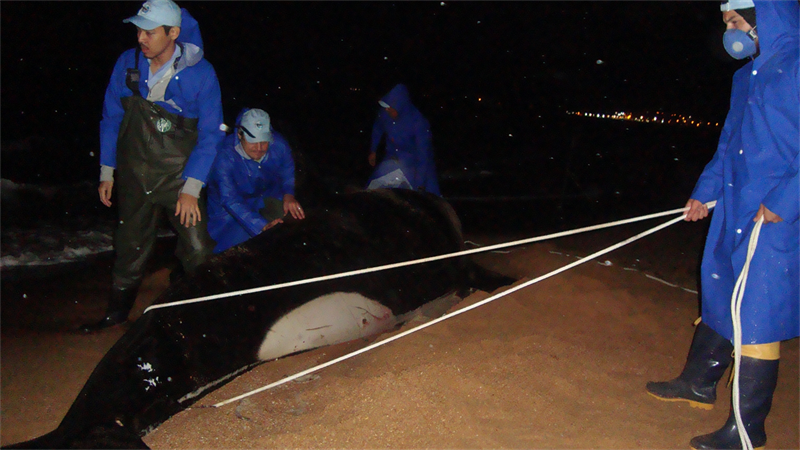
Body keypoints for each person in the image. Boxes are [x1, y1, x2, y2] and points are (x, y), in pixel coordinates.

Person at [646, 1, 800, 449]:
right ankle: (698, 382)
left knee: (757, 310)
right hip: (736, 202)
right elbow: (729, 141)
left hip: (773, 213)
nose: (729, 31)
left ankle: (748, 429)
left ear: (762, 20)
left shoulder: (796, 67)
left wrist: (785, 202)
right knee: (721, 289)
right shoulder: (745, 76)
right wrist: (705, 192)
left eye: (735, 22)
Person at [81, 0, 224, 332]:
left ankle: (207, 314)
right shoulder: (126, 63)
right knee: (129, 245)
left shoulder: (202, 73)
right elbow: (111, 119)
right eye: (138, 31)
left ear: (173, 33)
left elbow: (210, 136)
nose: (141, 39)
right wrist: (107, 171)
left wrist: (191, 189)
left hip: (178, 175)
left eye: (149, 32)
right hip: (133, 173)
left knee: (198, 246)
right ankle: (116, 315)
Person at [206, 108, 305, 253]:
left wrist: (288, 194)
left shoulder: (280, 145)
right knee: (240, 250)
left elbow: (287, 172)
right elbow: (230, 200)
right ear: (240, 135)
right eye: (253, 141)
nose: (259, 148)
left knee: (293, 227)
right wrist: (261, 226)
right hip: (230, 213)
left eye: (264, 142)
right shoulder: (223, 157)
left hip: (265, 198)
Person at [367, 84, 440, 195]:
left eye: (390, 108)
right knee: (372, 190)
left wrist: (419, 186)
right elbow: (377, 128)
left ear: (400, 106)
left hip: (414, 164)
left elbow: (423, 156)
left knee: (420, 200)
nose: (387, 110)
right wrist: (373, 150)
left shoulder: (418, 122)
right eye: (385, 107)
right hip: (392, 159)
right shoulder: (385, 114)